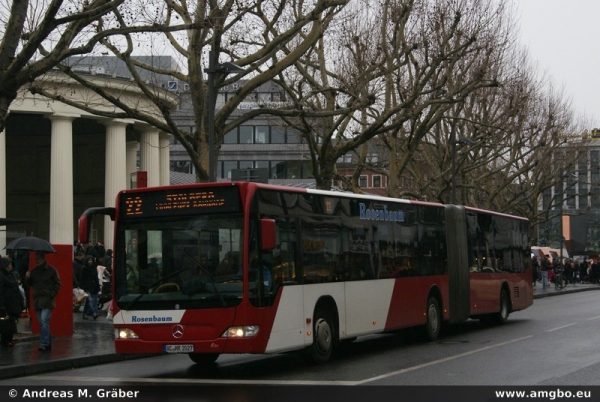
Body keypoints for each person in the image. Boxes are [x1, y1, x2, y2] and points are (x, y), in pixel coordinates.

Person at [25, 251, 61, 352]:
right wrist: (27, 278)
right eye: (35, 259)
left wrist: (51, 294)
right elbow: (30, 284)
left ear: (43, 259)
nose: (36, 261)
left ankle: (44, 343)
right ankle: (48, 342)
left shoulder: (51, 270)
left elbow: (58, 283)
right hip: (37, 299)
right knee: (42, 322)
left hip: (47, 300)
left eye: (37, 259)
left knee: (44, 320)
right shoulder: (33, 271)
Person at [0, 258, 25, 347]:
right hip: (7, 303)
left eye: (11, 264)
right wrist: (2, 305)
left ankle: (9, 339)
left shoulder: (11, 275)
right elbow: (1, 291)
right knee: (7, 323)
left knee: (12, 322)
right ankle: (5, 340)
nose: (10, 266)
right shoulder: (2, 276)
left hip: (14, 302)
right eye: (9, 264)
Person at [80, 255, 101, 320]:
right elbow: (81, 278)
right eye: (89, 260)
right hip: (86, 287)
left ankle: (85, 314)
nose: (90, 261)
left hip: (93, 286)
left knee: (88, 301)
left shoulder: (94, 268)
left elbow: (96, 278)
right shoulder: (84, 268)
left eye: (91, 260)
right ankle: (94, 313)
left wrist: (97, 286)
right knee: (89, 299)